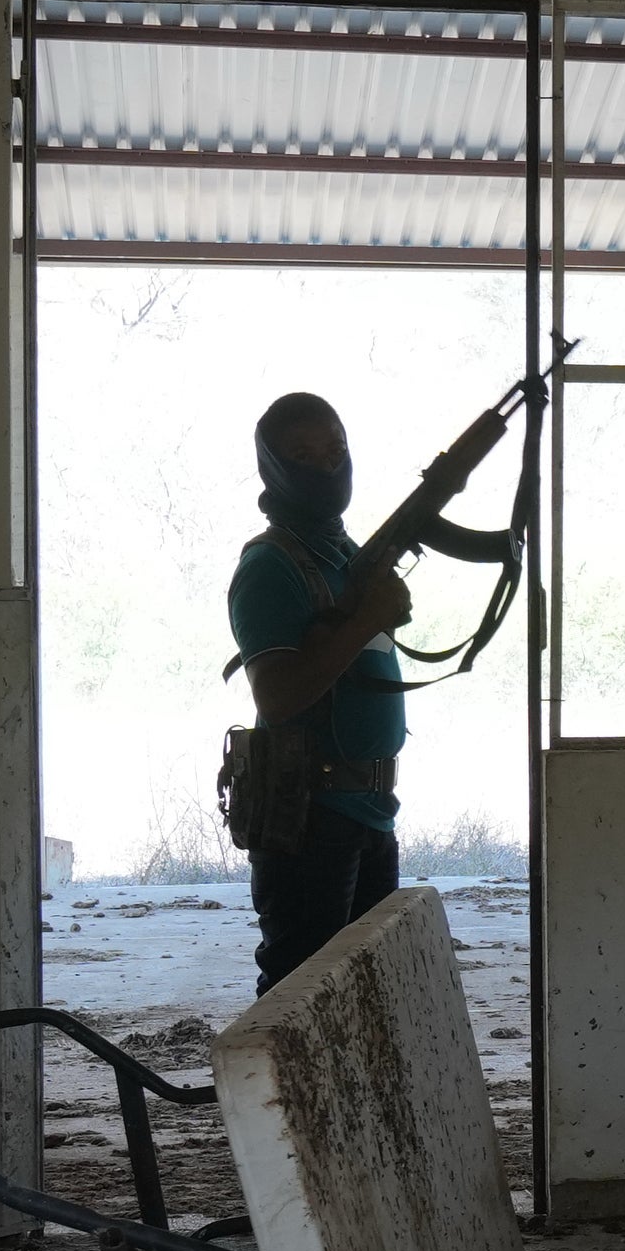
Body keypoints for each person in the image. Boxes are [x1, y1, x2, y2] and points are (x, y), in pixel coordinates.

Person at [230, 391, 413, 989]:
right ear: (274, 471)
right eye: (304, 455)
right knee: (298, 999)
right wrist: (366, 616)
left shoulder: (345, 554)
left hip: (369, 811)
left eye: (336, 450)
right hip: (309, 819)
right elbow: (276, 696)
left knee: (364, 997)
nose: (327, 466)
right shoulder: (269, 565)